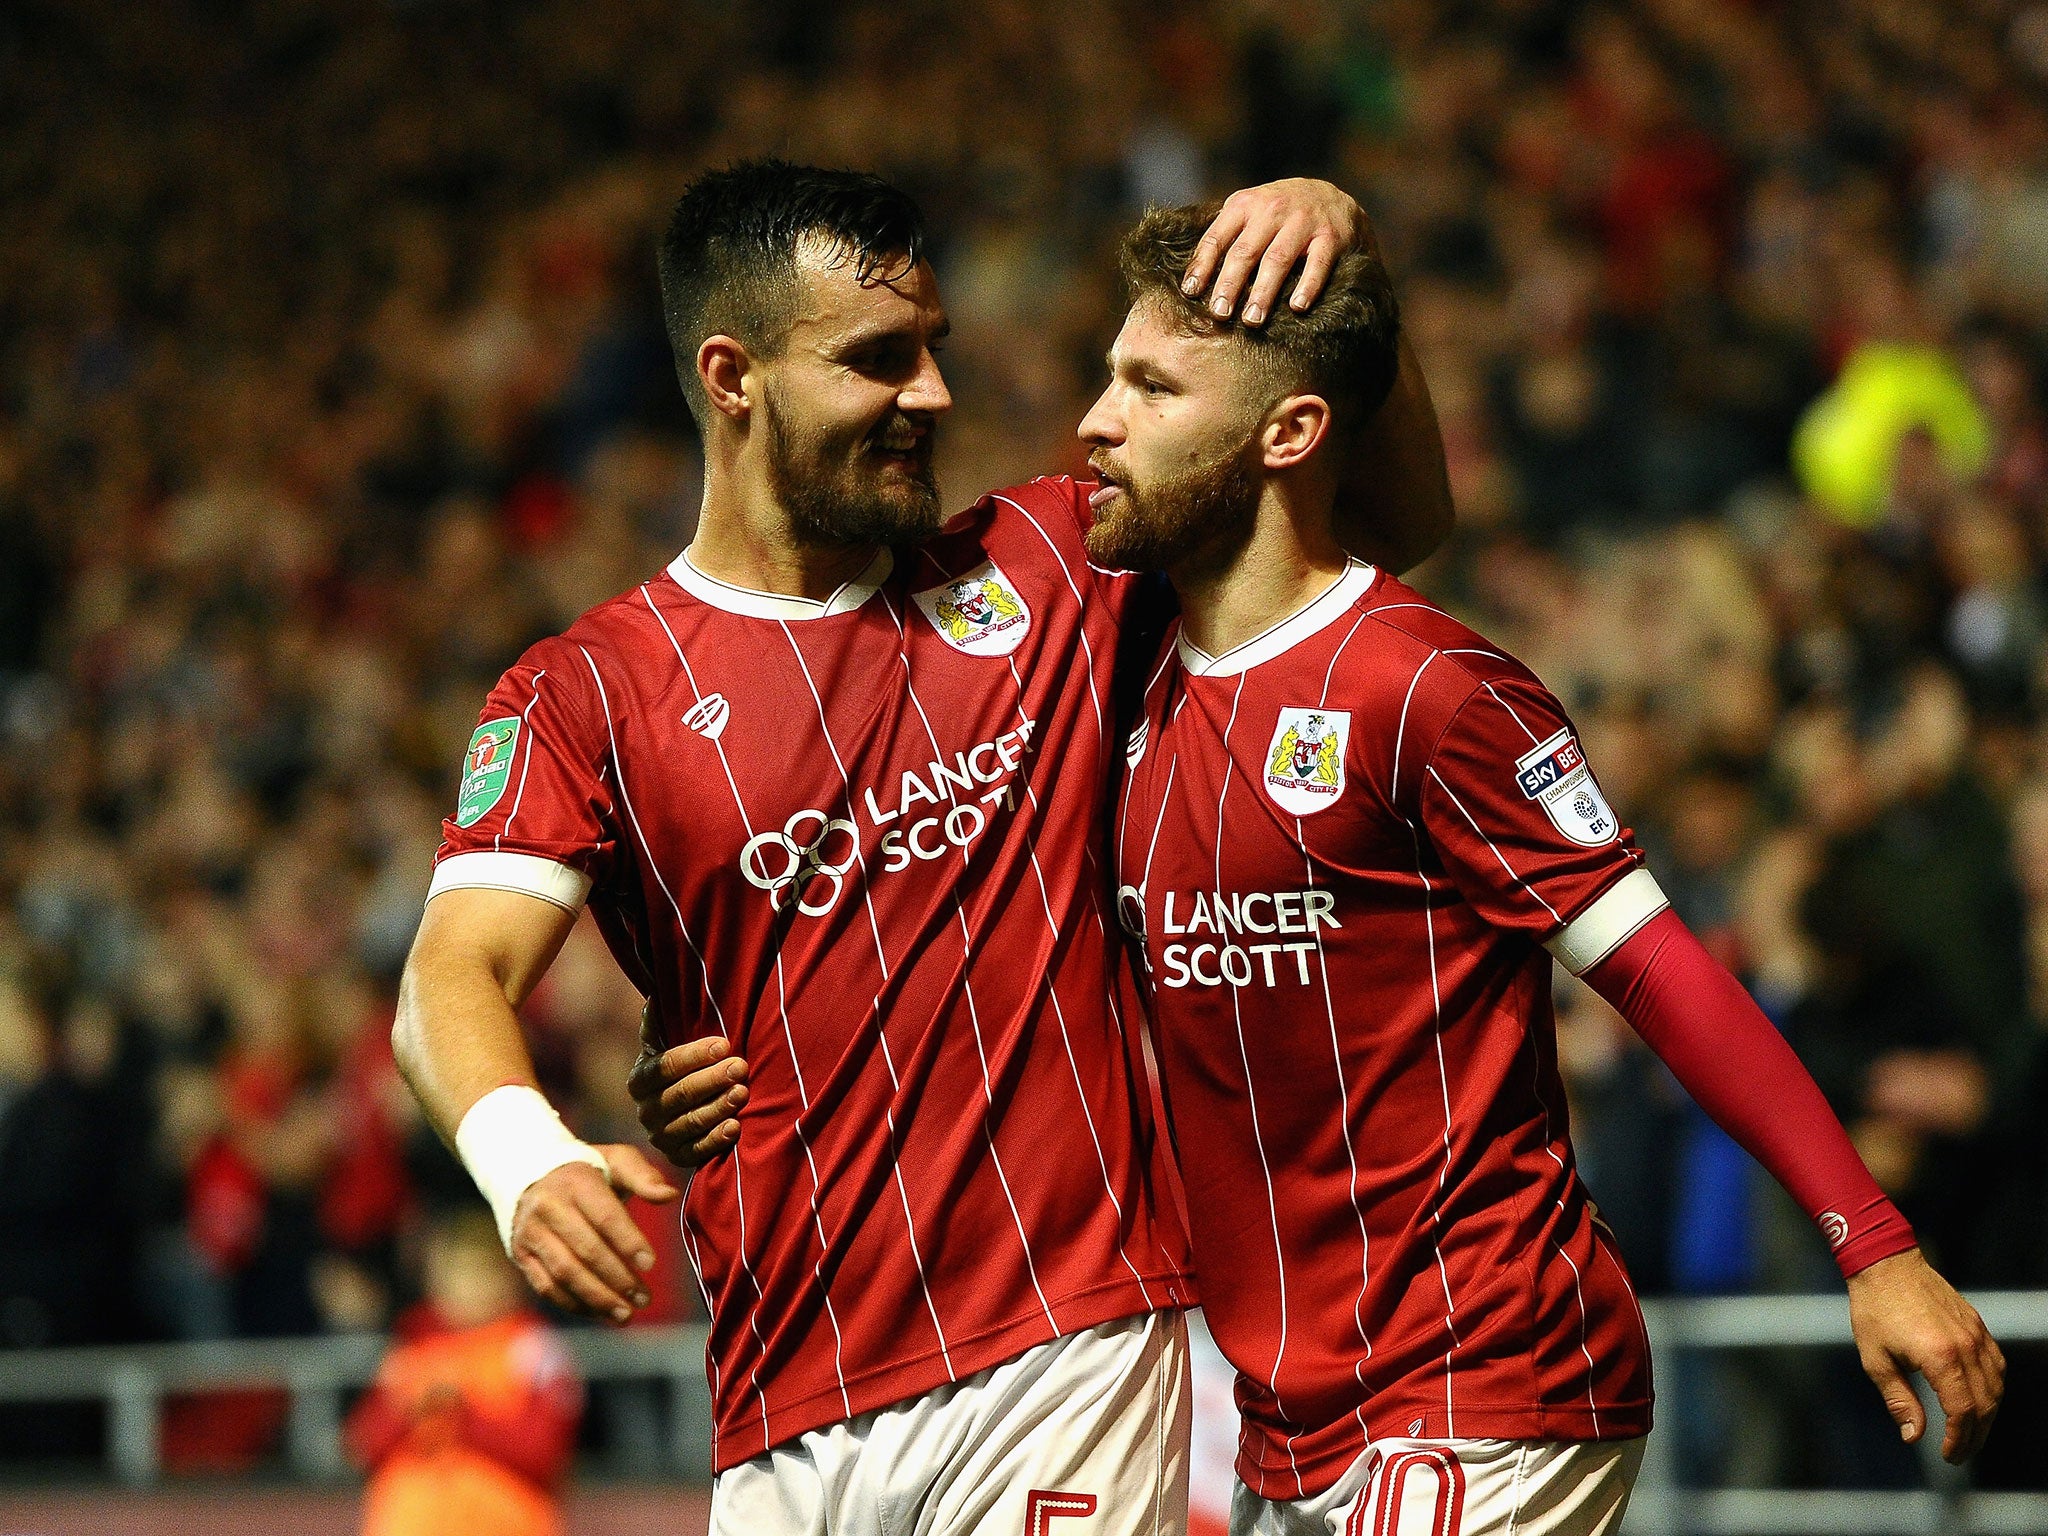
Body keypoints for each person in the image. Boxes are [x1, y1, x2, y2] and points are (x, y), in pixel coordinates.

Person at [395, 160, 1452, 1535]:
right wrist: (524, 1155)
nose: (932, 396)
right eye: (877, 360)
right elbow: (446, 979)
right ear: (734, 377)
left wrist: (1348, 241)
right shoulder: (591, 689)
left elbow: (1398, 523)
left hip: (1069, 1344)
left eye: (934, 351)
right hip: (782, 1401)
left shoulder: (1056, 562)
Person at [1074, 202, 2004, 1536]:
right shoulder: (1133, 676)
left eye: (1151, 386)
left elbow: (1663, 969)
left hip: (1484, 1377)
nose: (1097, 420)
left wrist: (1875, 1241)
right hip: (1285, 1409)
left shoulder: (1429, 688)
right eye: (1109, 375)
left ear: (1289, 435)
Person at [345, 1207, 581, 1536]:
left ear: (509, 1277)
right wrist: (411, 1407)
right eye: (455, 1271)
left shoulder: (532, 1349)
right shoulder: (412, 1347)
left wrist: (462, 1411)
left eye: (479, 1272)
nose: (467, 1286)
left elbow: (544, 1452)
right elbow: (364, 1446)